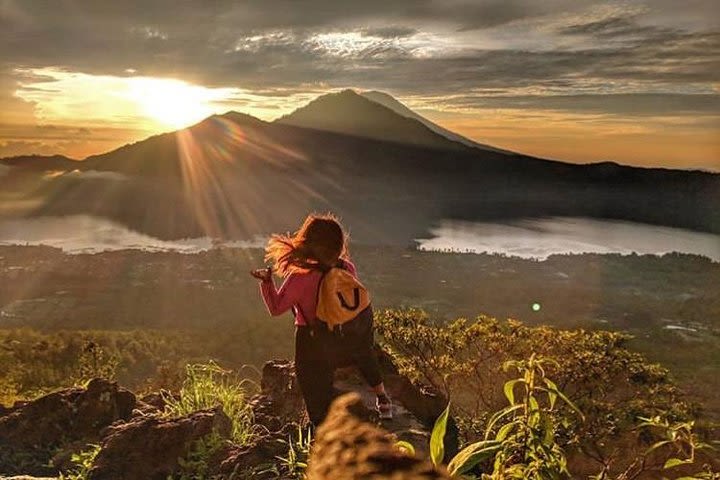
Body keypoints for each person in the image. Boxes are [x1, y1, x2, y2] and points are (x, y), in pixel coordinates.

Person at [251, 213, 392, 426]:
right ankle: (382, 399)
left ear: (307, 240)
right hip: (346, 340)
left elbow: (276, 308)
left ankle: (326, 435)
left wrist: (266, 282)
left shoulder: (300, 276)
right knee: (366, 351)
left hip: (313, 343)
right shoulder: (346, 268)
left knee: (317, 400)